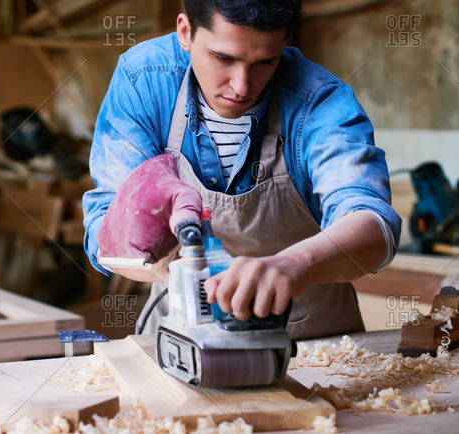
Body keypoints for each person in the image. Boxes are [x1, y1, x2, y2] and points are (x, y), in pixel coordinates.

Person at [82, 0, 401, 339]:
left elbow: (373, 225)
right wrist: (175, 257)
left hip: (312, 344)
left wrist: (294, 265)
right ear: (185, 31)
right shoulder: (144, 79)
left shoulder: (318, 100)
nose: (242, 86)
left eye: (265, 62)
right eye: (224, 58)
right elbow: (104, 232)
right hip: (182, 332)